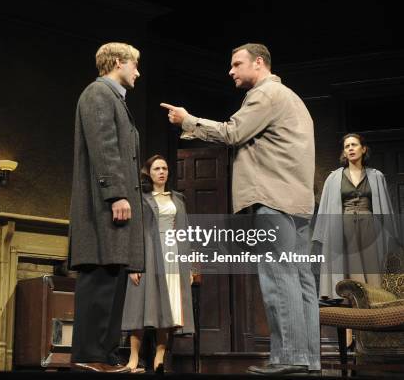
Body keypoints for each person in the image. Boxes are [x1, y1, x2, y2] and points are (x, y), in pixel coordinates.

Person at [161, 43, 320, 375]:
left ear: (259, 63)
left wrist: (187, 120)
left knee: (279, 279)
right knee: (301, 282)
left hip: (274, 201)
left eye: (236, 64)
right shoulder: (294, 99)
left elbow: (233, 132)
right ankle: (306, 360)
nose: (231, 71)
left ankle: (288, 358)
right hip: (298, 204)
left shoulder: (265, 95)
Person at [68, 42, 144, 373]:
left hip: (111, 209)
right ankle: (89, 354)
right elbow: (105, 147)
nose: (137, 72)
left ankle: (105, 354)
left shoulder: (114, 99)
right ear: (116, 62)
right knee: (100, 276)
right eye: (134, 65)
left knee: (113, 275)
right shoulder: (98, 94)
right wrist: (116, 194)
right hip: (103, 208)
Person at [121, 155, 195, 374]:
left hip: (173, 255)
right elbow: (134, 233)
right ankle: (134, 356)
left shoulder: (178, 199)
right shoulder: (141, 199)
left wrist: (188, 265)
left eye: (164, 168)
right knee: (140, 306)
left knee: (168, 307)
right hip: (149, 255)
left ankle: (159, 358)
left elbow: (184, 233)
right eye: (157, 168)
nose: (161, 172)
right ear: (149, 173)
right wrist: (134, 265)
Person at [313, 134, 399, 299]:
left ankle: (375, 308)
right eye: (347, 146)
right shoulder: (333, 178)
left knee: (373, 267)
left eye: (354, 144)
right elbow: (326, 207)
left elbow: (384, 207)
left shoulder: (376, 176)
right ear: (344, 153)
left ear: (363, 149)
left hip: (370, 226)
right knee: (350, 269)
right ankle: (351, 316)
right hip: (343, 226)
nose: (351, 148)